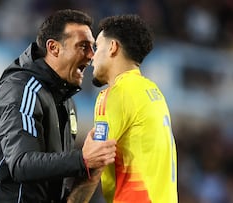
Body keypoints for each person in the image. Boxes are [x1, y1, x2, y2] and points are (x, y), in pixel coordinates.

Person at [0, 9, 116, 203]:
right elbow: (22, 164)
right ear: (53, 48)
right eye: (83, 46)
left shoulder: (66, 103)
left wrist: (91, 171)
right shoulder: (22, 90)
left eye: (93, 47)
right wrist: (82, 159)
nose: (91, 55)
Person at [71, 14, 178, 202]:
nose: (92, 56)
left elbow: (95, 161)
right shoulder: (153, 92)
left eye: (97, 47)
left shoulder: (116, 94)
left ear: (112, 47)